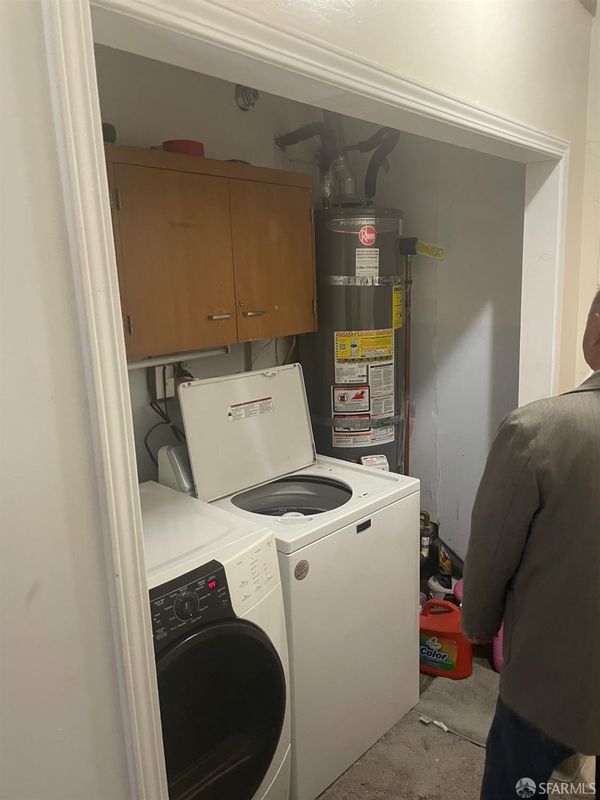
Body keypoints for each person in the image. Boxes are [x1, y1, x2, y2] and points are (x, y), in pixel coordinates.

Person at [462, 290, 600, 799]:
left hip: (549, 678)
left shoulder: (536, 431)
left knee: (517, 780)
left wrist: (478, 627)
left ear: (596, 327)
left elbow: (492, 551)